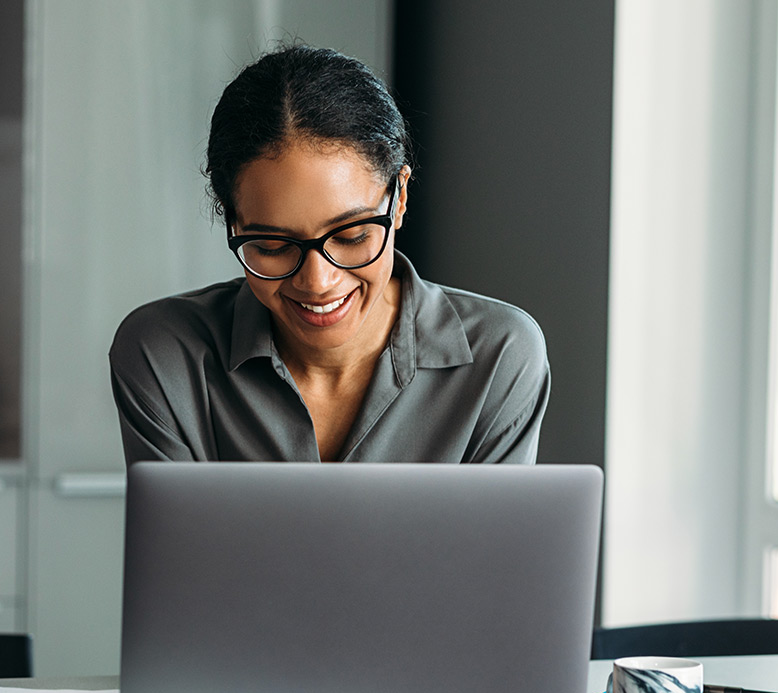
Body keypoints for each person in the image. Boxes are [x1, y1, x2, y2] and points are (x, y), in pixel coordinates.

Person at [109, 45, 550, 465]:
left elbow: (492, 547)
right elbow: (181, 544)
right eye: (272, 246)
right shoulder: (165, 354)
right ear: (234, 223)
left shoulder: (499, 355)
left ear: (398, 200)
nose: (318, 282)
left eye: (353, 235)